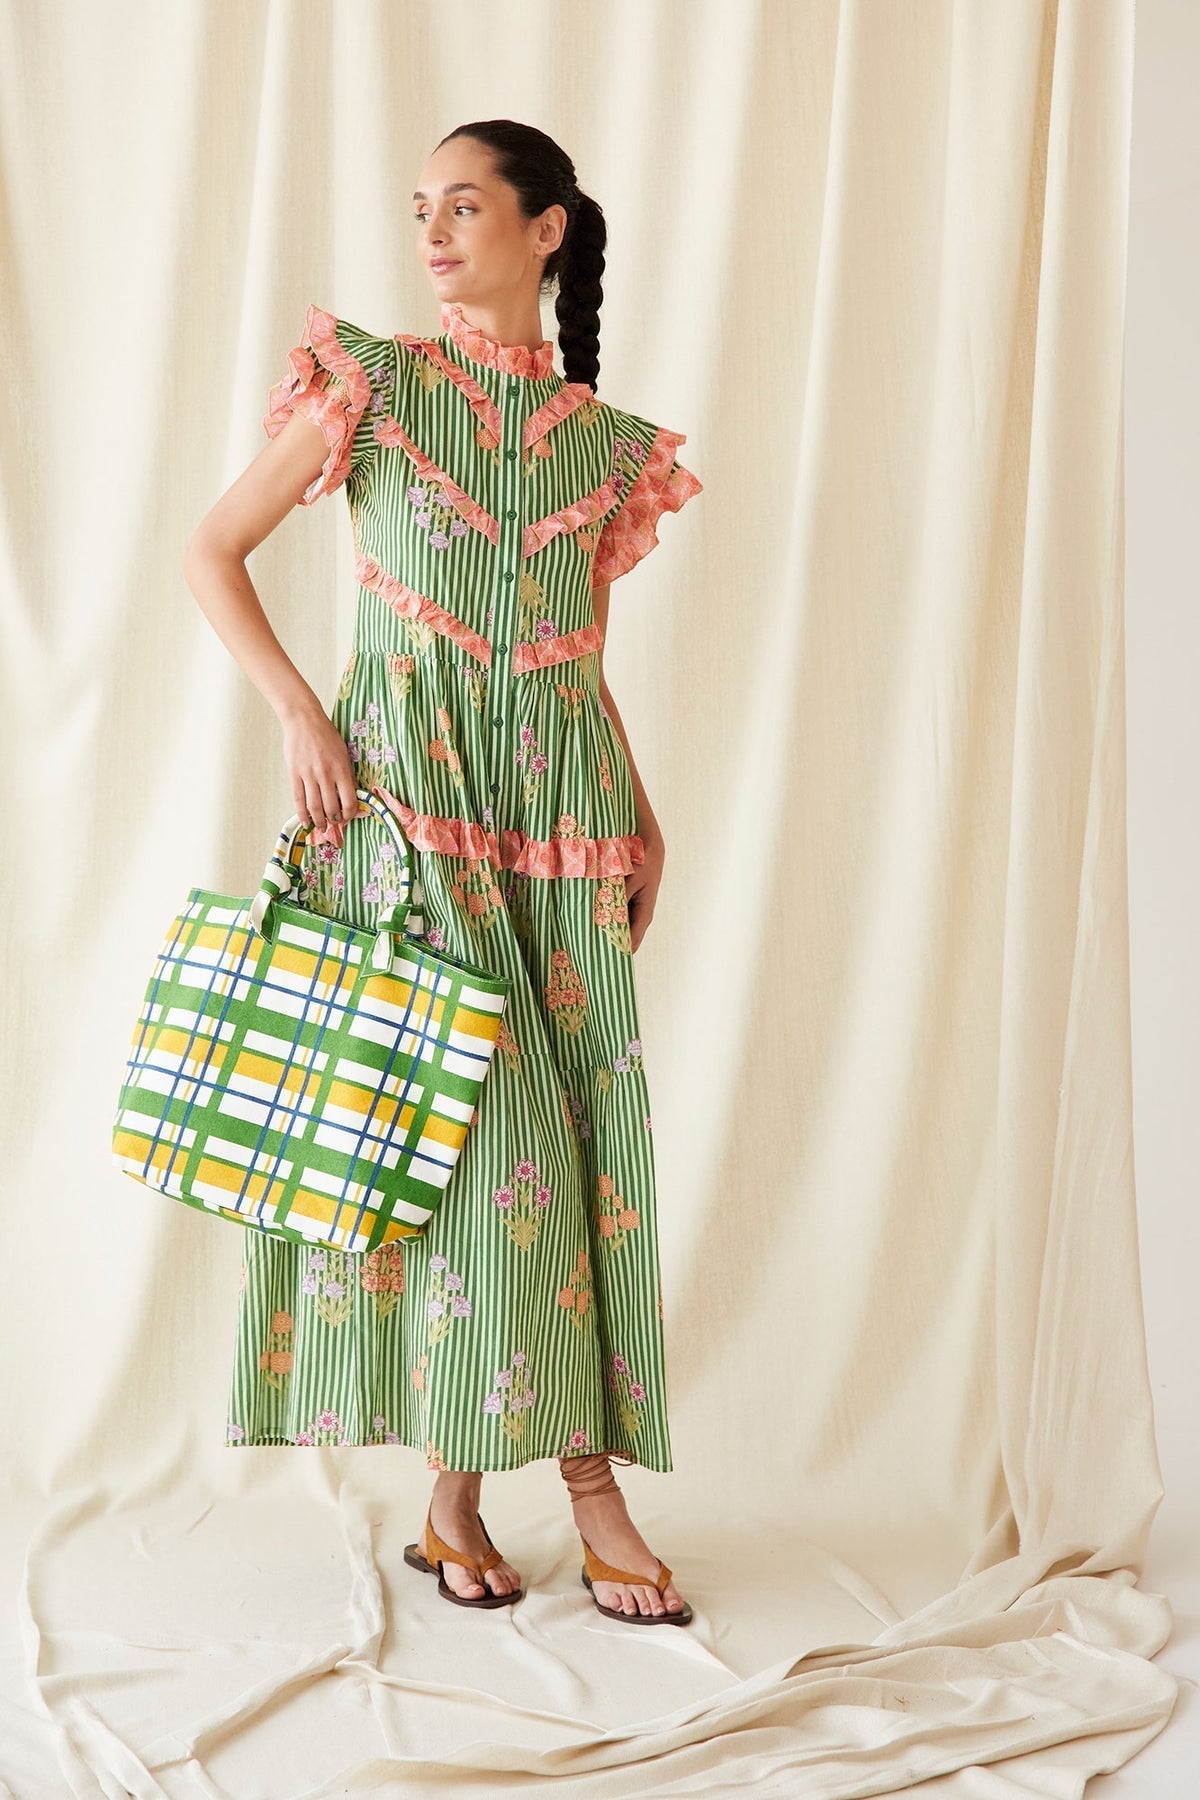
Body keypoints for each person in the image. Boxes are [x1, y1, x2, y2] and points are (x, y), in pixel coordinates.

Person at [183, 119, 702, 1625]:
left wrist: (644, 815)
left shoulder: (608, 452)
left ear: (547, 229)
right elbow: (213, 549)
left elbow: (575, 658)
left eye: (464, 206)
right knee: (473, 1144)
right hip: (407, 814)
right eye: (422, 208)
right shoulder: (377, 385)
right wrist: (302, 716)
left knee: (563, 1152)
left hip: (563, 820)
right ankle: (588, 1492)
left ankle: (457, 1504)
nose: (432, 232)